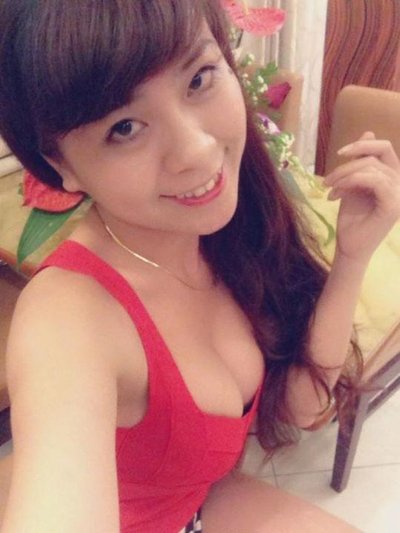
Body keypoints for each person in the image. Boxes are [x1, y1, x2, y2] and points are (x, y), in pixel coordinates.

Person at [0, 1, 399, 531]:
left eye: (199, 79)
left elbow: (305, 406)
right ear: (59, 167)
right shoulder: (70, 320)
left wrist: (352, 256)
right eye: (124, 127)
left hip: (194, 501)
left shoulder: (225, 230)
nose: (196, 149)